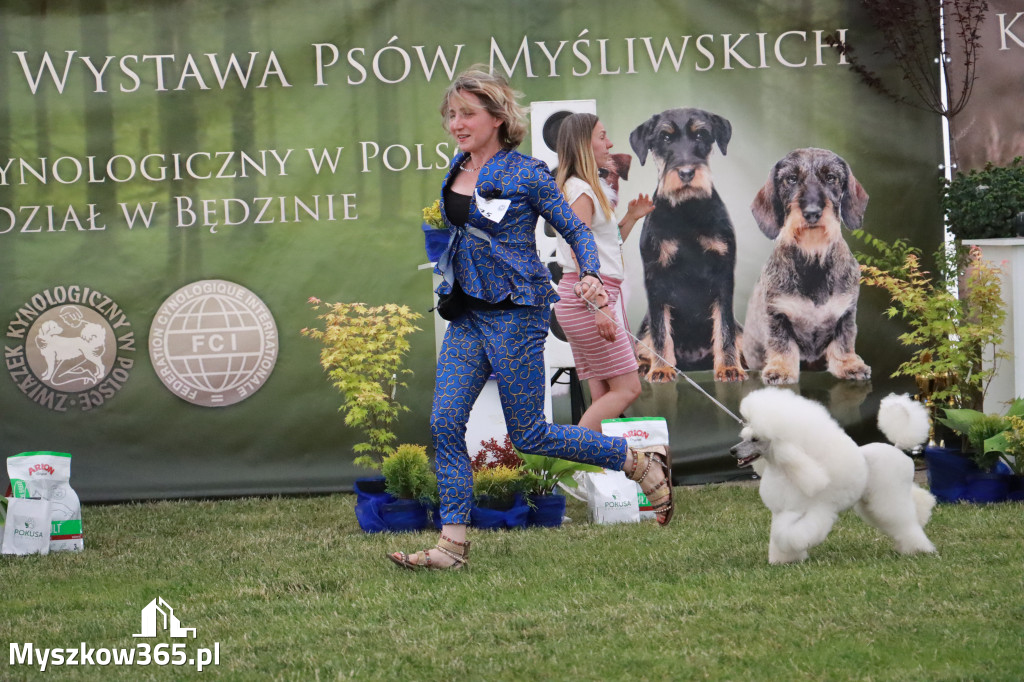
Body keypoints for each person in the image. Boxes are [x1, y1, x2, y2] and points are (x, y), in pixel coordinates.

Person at [388, 67, 674, 571]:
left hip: (516, 316)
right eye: (451, 115)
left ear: (498, 118)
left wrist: (588, 273)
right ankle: (450, 548)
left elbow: (577, 231)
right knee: (445, 421)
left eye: (467, 114)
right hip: (468, 315)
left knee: (531, 435)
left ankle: (634, 461)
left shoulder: (527, 174)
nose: (456, 123)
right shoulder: (456, 166)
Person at [552, 113, 653, 432]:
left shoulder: (582, 188)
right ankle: (571, 461)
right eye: (602, 136)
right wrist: (600, 304)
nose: (610, 143)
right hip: (590, 299)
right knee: (627, 389)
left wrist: (631, 218)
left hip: (586, 297)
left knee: (604, 394)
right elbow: (581, 251)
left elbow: (603, 244)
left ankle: (592, 473)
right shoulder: (581, 190)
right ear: (584, 144)